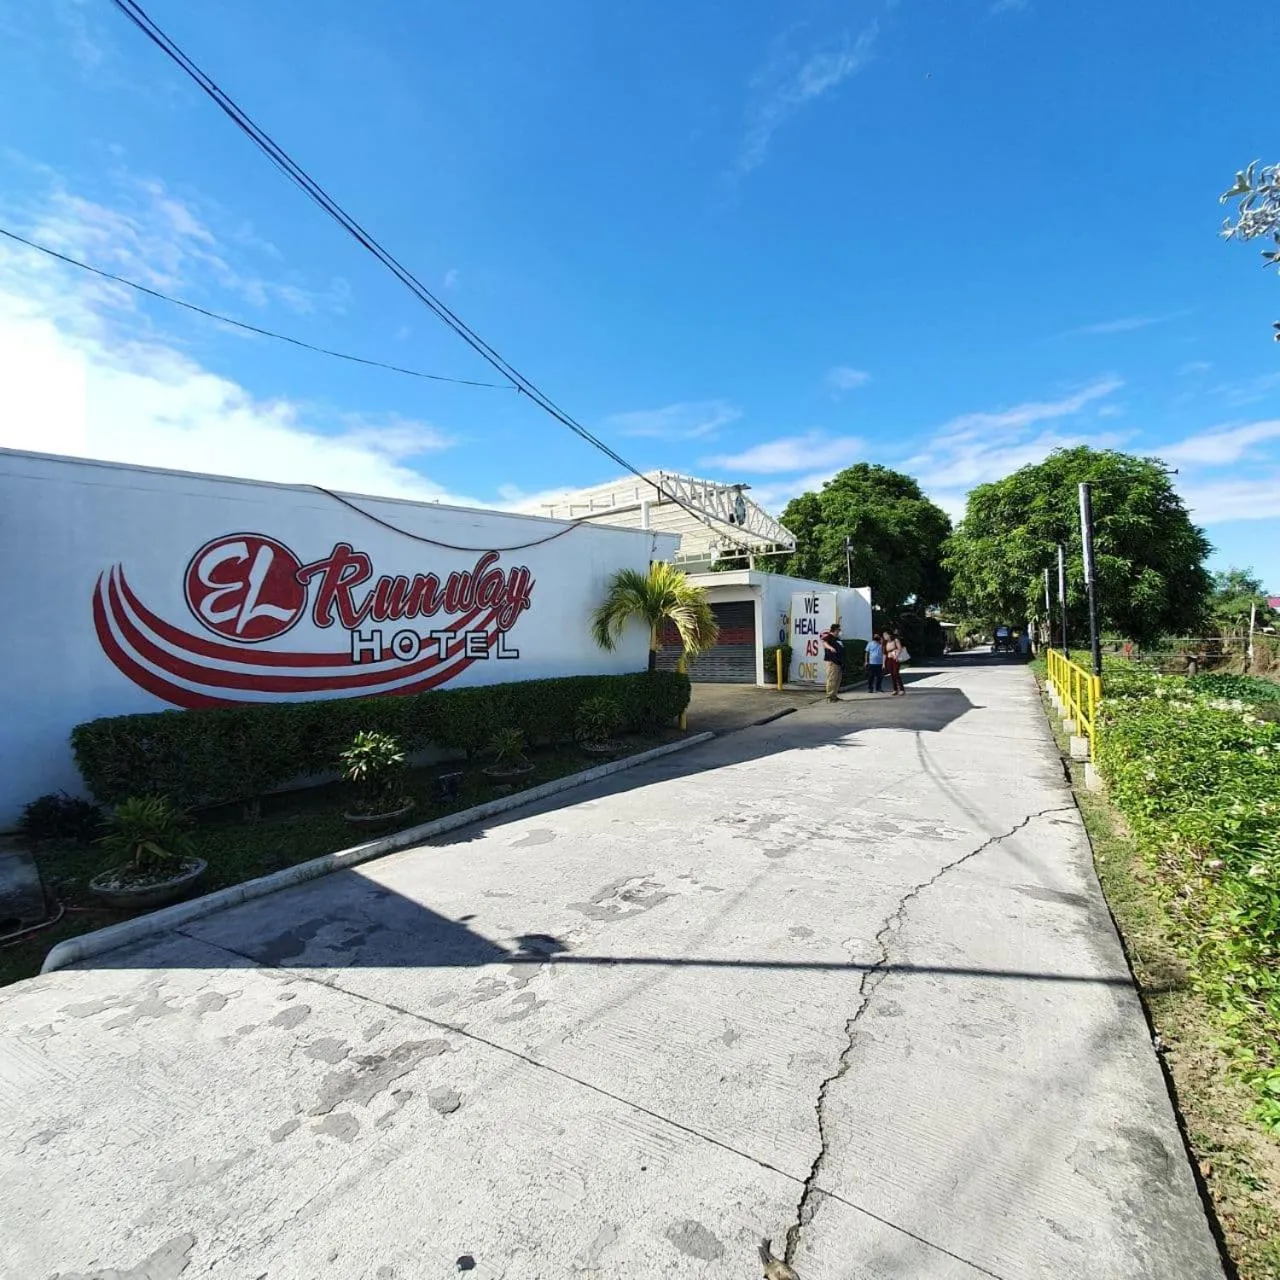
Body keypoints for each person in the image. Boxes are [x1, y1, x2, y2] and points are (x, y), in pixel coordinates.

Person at [821, 622, 844, 702]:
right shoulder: (829, 637)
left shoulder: (837, 639)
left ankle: (834, 696)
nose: (839, 632)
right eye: (838, 630)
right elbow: (824, 643)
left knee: (837, 680)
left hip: (838, 662)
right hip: (832, 661)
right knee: (831, 679)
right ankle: (829, 697)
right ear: (835, 630)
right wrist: (830, 648)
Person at [884, 629, 906, 695]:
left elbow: (900, 648)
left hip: (895, 659)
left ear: (889, 635)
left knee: (896, 673)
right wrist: (883, 663)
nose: (884, 636)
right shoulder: (886, 643)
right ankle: (895, 689)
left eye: (885, 635)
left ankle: (902, 689)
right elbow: (885, 653)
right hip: (889, 659)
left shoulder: (895, 640)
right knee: (892, 674)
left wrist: (897, 656)